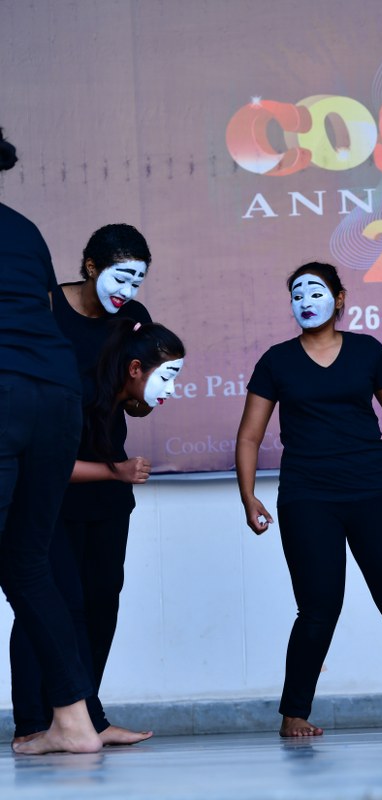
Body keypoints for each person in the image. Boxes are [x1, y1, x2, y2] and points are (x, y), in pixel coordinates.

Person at [235, 261, 382, 737]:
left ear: (339, 299)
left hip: (375, 490)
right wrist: (248, 496)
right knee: (317, 609)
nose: (305, 301)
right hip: (307, 498)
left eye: (316, 292)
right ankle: (294, 713)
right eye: (297, 294)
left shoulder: (368, 351)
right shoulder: (276, 361)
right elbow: (250, 436)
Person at [10, 225, 158, 746]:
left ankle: (87, 716)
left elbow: (136, 399)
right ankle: (34, 723)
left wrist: (147, 391)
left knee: (101, 601)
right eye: (122, 276)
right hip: (48, 481)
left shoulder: (133, 320)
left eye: (138, 280)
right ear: (91, 267)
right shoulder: (46, 308)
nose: (129, 289)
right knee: (49, 600)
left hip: (108, 482)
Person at [0, 126, 100, 754]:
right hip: (57, 397)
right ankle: (73, 723)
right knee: (26, 563)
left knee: (26, 563)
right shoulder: (25, 230)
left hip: (5, 390)